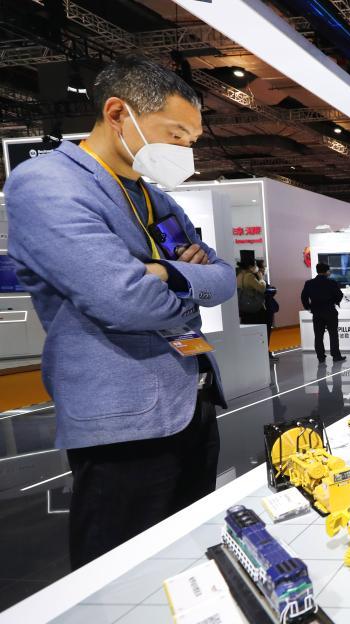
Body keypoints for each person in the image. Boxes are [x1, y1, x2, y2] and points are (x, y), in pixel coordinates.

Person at [4, 55, 236, 568]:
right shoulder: (48, 185)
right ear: (117, 114)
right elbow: (124, 299)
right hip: (125, 419)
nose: (186, 150)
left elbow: (222, 278)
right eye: (176, 135)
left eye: (192, 140)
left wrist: (168, 273)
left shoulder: (154, 198)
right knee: (122, 571)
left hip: (191, 401)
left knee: (189, 558)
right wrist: (178, 277)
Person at [301, 263, 346, 363]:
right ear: (326, 271)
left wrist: (308, 307)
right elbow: (339, 295)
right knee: (333, 335)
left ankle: (320, 356)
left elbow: (303, 297)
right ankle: (336, 356)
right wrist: (334, 301)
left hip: (317, 313)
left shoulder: (309, 283)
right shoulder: (332, 282)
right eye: (329, 270)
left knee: (318, 335)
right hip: (330, 311)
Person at [236, 258, 267, 327]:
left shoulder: (239, 275)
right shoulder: (249, 276)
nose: (256, 267)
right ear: (250, 266)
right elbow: (262, 288)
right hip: (253, 307)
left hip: (243, 307)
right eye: (255, 265)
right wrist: (261, 279)